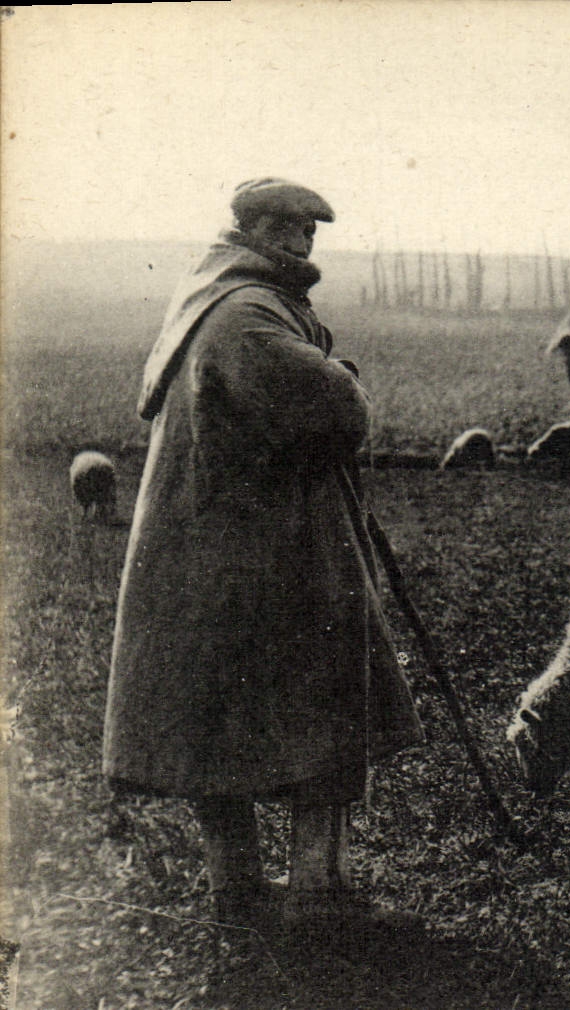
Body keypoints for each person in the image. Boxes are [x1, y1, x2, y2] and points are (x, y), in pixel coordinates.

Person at [103, 178, 424, 936]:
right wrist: (346, 380)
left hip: (225, 550)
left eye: (310, 229)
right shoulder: (246, 314)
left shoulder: (218, 302)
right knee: (317, 698)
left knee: (225, 715)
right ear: (249, 228)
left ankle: (244, 884)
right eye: (286, 226)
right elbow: (335, 411)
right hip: (262, 555)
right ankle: (311, 888)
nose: (302, 240)